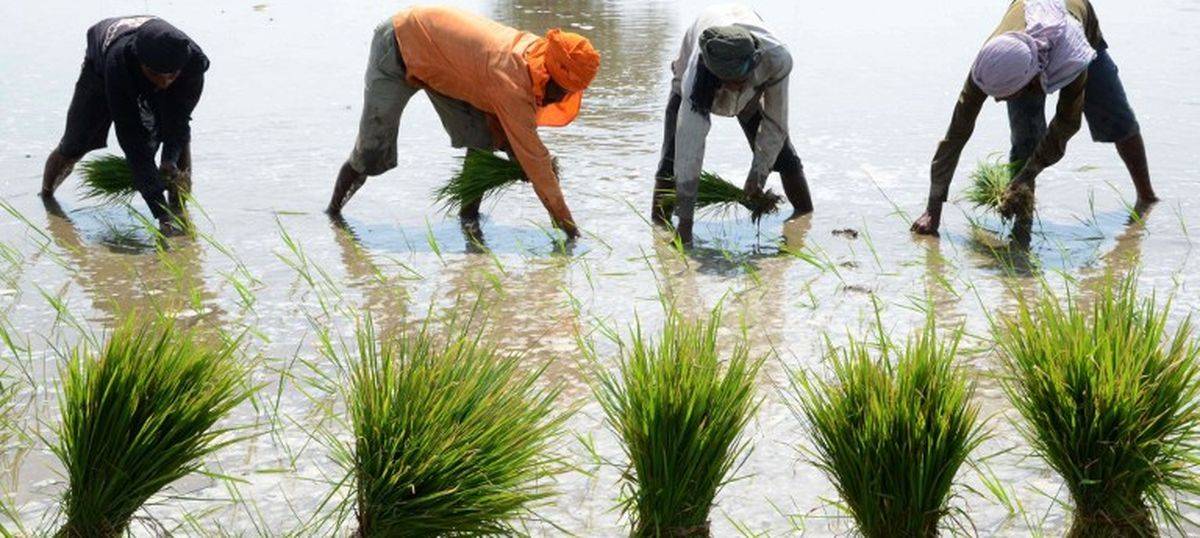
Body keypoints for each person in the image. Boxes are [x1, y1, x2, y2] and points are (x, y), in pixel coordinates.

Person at [326, 6, 601, 239]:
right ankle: (333, 216)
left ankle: (469, 219)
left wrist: (525, 161)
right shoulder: (512, 80)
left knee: (482, 139)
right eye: (563, 90)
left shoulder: (535, 55)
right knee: (371, 150)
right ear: (549, 74)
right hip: (399, 45)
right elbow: (532, 155)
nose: (561, 97)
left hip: (442, 63)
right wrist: (568, 228)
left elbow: (515, 137)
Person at [912, 0, 1156, 236]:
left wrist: (1029, 174)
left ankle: (1147, 197)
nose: (998, 101)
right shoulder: (992, 62)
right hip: (1025, 47)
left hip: (1077, 25)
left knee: (1115, 114)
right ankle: (1022, 227)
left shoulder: (1074, 56)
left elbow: (1067, 124)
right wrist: (933, 209)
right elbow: (956, 134)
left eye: (1006, 94)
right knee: (1026, 142)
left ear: (1030, 80)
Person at [651, 4, 811, 245]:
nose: (734, 87)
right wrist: (686, 223)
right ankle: (659, 229)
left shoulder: (776, 59)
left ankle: (805, 219)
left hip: (754, 90)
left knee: (784, 158)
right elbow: (690, 145)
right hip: (698, 82)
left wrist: (758, 175)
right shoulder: (697, 74)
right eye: (728, 81)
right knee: (671, 161)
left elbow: (776, 123)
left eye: (739, 80)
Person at [42, 16, 208, 236]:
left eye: (172, 75)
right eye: (157, 75)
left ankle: (179, 209)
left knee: (178, 138)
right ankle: (46, 196)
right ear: (140, 62)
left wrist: (168, 159)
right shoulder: (118, 64)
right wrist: (160, 214)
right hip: (100, 70)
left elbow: (179, 121)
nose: (166, 82)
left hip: (159, 68)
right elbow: (133, 141)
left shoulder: (192, 63)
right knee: (75, 143)